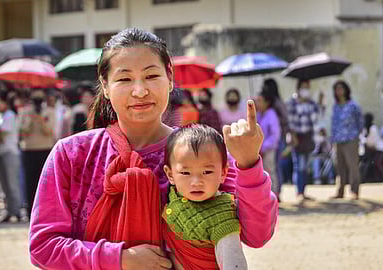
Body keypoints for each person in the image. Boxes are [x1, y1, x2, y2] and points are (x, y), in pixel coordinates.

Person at [29, 28, 277, 270]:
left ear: (169, 78)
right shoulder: (73, 154)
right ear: (105, 86)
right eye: (124, 79)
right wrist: (120, 259)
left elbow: (257, 235)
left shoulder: (204, 151)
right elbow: (43, 247)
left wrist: (248, 165)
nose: (140, 91)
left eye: (151, 76)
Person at [162, 124, 247, 270]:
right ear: (170, 175)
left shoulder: (222, 217)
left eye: (207, 172)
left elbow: (233, 262)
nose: (196, 182)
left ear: (223, 173)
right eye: (185, 173)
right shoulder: (172, 194)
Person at [18, 89, 55, 215]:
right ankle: (30, 210)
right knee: (30, 181)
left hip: (45, 149)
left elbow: (49, 131)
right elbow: (22, 131)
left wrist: (40, 119)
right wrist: (30, 119)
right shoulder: (25, 111)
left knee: (45, 181)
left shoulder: (49, 112)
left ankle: (46, 210)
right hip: (29, 149)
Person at [286, 79, 320, 202]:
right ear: (298, 88)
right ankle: (299, 191)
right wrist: (293, 135)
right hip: (297, 137)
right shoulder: (292, 103)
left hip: (308, 137)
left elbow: (317, 119)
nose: (306, 89)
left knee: (305, 166)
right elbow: (290, 121)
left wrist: (321, 103)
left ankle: (303, 191)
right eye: (303, 87)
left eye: (307, 87)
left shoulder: (312, 103)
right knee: (299, 165)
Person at [0, 91, 23, 222]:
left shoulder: (10, 115)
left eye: (0, 101)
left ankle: (16, 211)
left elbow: (3, 135)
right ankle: (8, 210)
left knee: (12, 183)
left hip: (10, 152)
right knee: (3, 185)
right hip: (0, 153)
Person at [330, 80, 363, 200]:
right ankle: (340, 191)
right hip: (338, 140)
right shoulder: (336, 107)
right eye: (336, 89)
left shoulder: (353, 105)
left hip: (351, 139)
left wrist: (356, 135)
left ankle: (354, 191)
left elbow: (360, 122)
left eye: (341, 88)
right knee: (340, 167)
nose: (339, 91)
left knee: (352, 166)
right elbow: (333, 124)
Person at [256, 90, 281, 198]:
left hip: (269, 149)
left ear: (267, 102)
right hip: (258, 149)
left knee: (270, 171)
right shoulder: (258, 114)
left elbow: (275, 135)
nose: (258, 103)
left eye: (260, 101)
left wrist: (264, 147)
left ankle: (274, 194)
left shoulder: (271, 115)